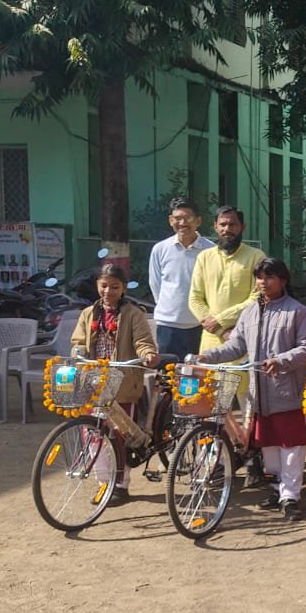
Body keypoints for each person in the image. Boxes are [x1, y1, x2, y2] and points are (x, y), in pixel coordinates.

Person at [196, 258, 306, 519]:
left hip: (288, 391)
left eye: (269, 277)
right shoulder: (250, 312)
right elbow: (235, 347)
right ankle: (278, 489)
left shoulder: (297, 312)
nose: (263, 282)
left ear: (283, 280)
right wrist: (208, 356)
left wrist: (280, 361)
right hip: (259, 396)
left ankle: (291, 497)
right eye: (260, 277)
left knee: (291, 447)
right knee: (270, 448)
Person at [71, 264, 159, 504]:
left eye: (114, 287)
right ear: (97, 286)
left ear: (122, 289)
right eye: (104, 286)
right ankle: (103, 484)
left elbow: (142, 340)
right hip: (93, 379)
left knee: (119, 435)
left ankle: (120, 485)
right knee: (93, 433)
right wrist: (78, 349)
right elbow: (78, 339)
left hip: (121, 382)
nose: (108, 291)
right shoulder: (88, 313)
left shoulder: (133, 314)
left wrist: (148, 353)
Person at [187, 207, 267, 353]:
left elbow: (258, 298)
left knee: (240, 376)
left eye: (232, 225)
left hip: (242, 337)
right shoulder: (204, 257)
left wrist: (220, 320)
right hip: (210, 339)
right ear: (215, 226)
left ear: (242, 227)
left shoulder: (256, 257)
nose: (227, 229)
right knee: (208, 375)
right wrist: (220, 330)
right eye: (223, 224)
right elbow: (195, 298)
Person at [147, 197, 213, 360]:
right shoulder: (160, 249)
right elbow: (156, 284)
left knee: (197, 377)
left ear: (198, 221)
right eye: (177, 218)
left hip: (200, 325)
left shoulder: (211, 250)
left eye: (188, 218)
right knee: (167, 378)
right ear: (171, 220)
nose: (183, 223)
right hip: (168, 325)